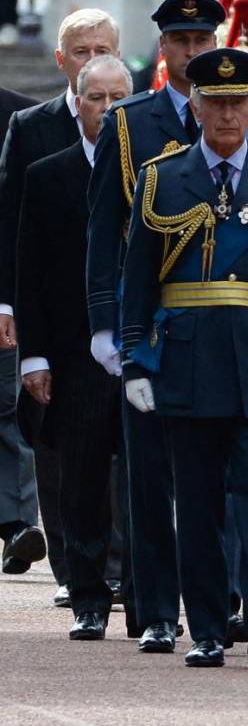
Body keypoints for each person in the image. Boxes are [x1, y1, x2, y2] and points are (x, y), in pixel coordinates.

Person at [85, 0, 248, 654]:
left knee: (245, 491)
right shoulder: (133, 129)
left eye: (203, 41)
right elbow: (110, 241)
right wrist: (114, 334)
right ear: (164, 51)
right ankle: (165, 612)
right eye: (181, 43)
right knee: (167, 486)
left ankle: (240, 614)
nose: (191, 50)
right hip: (171, 342)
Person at [116, 46, 248, 668]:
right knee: (195, 503)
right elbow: (137, 281)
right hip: (188, 363)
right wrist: (136, 362)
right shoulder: (163, 179)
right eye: (215, 103)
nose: (227, 115)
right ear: (193, 107)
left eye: (239, 103)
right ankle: (208, 629)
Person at [0, 7, 118, 591]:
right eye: (81, 51)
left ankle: (118, 569)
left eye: (104, 49)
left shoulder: (143, 124)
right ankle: (75, 571)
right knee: (56, 440)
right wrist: (7, 306)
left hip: (121, 311)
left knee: (123, 446)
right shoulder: (31, 125)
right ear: (60, 61)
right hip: (53, 308)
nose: (92, 59)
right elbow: (11, 225)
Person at [15, 54, 131, 639]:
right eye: (96, 99)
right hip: (73, 351)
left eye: (118, 99)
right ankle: (88, 595)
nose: (107, 110)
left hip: (141, 347)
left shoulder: (159, 172)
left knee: (144, 481)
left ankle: (144, 597)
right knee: (82, 480)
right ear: (77, 102)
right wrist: (33, 356)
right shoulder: (48, 173)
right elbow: (28, 272)